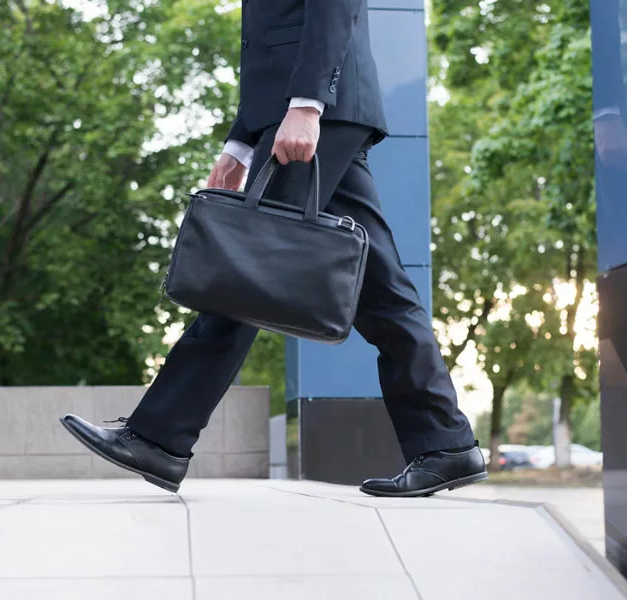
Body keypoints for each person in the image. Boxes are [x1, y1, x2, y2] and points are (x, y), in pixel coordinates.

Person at [60, 0, 487, 498]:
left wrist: (308, 105)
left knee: (246, 274)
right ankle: (445, 444)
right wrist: (240, 144)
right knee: (381, 290)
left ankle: (159, 436)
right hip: (310, 110)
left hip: (317, 108)